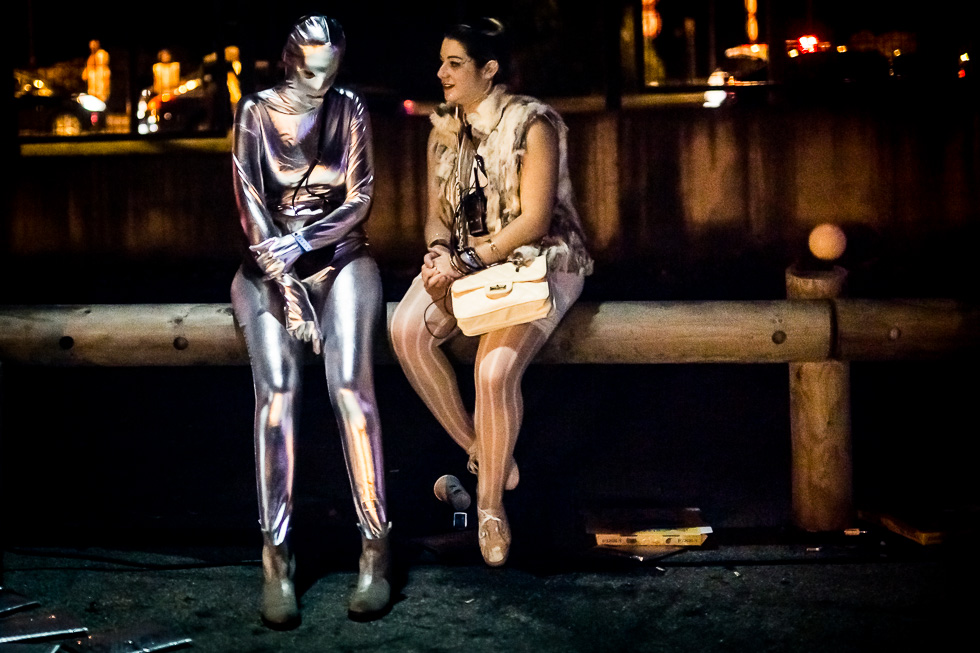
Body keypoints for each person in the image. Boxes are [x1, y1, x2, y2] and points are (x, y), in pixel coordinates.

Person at [389, 18, 592, 567]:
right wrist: (437, 257)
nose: (442, 73)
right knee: (405, 329)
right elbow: (436, 216)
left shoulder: (533, 124)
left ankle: (490, 507)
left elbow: (534, 220)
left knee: (493, 370)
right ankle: (483, 450)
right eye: (441, 63)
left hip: (538, 259)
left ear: (489, 69)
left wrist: (466, 261)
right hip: (465, 261)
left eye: (455, 63)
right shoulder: (445, 130)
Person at [230, 15, 391, 627]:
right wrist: (287, 287)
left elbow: (361, 197)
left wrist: (304, 249)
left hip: (342, 259)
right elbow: (249, 206)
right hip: (266, 268)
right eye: (308, 67)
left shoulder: (349, 107)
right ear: (287, 59)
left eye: (331, 67)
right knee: (276, 395)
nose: (320, 80)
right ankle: (277, 559)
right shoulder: (253, 113)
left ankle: (375, 552)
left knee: (350, 389)